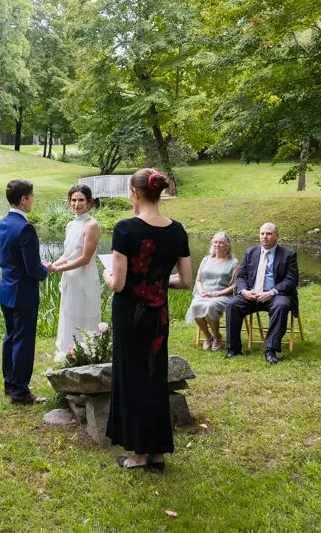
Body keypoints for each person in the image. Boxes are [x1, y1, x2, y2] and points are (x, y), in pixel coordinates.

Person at [102, 169, 192, 470]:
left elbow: (118, 283)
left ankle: (139, 455)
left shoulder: (125, 229)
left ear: (135, 193)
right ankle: (158, 452)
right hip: (158, 315)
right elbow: (186, 280)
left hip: (130, 315)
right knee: (154, 377)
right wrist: (157, 283)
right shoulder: (177, 230)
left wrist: (105, 275)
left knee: (132, 378)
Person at [0, 179, 53, 405]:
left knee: (10, 337)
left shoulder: (1, 225)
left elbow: (3, 260)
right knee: (24, 340)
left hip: (7, 289)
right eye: (32, 197)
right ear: (23, 199)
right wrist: (45, 268)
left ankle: (10, 383)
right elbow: (33, 269)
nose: (33, 200)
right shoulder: (26, 228)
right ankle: (20, 391)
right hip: (24, 293)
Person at [224, 223, 299, 364]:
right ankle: (233, 349)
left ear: (277, 236)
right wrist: (244, 291)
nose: (265, 237)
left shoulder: (288, 255)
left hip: (277, 294)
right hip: (252, 294)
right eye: (262, 233)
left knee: (281, 306)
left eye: (269, 234)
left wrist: (272, 292)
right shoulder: (250, 252)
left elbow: (291, 280)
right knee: (232, 305)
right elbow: (242, 276)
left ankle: (270, 350)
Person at [50, 184, 102, 358]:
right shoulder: (70, 225)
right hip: (70, 278)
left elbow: (85, 258)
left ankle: (85, 351)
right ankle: (68, 351)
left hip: (85, 277)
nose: (77, 204)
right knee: (69, 312)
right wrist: (53, 264)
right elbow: (68, 253)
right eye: (73, 200)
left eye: (81, 200)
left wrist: (59, 268)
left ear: (89, 203)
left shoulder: (91, 224)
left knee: (84, 312)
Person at [185, 232, 238, 351]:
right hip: (204, 293)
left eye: (221, 242)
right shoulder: (206, 260)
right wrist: (201, 291)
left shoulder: (234, 262)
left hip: (222, 295)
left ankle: (217, 336)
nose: (217, 245)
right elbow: (198, 280)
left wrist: (217, 294)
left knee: (210, 306)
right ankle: (207, 336)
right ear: (212, 243)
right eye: (215, 242)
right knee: (195, 305)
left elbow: (235, 285)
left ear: (227, 245)